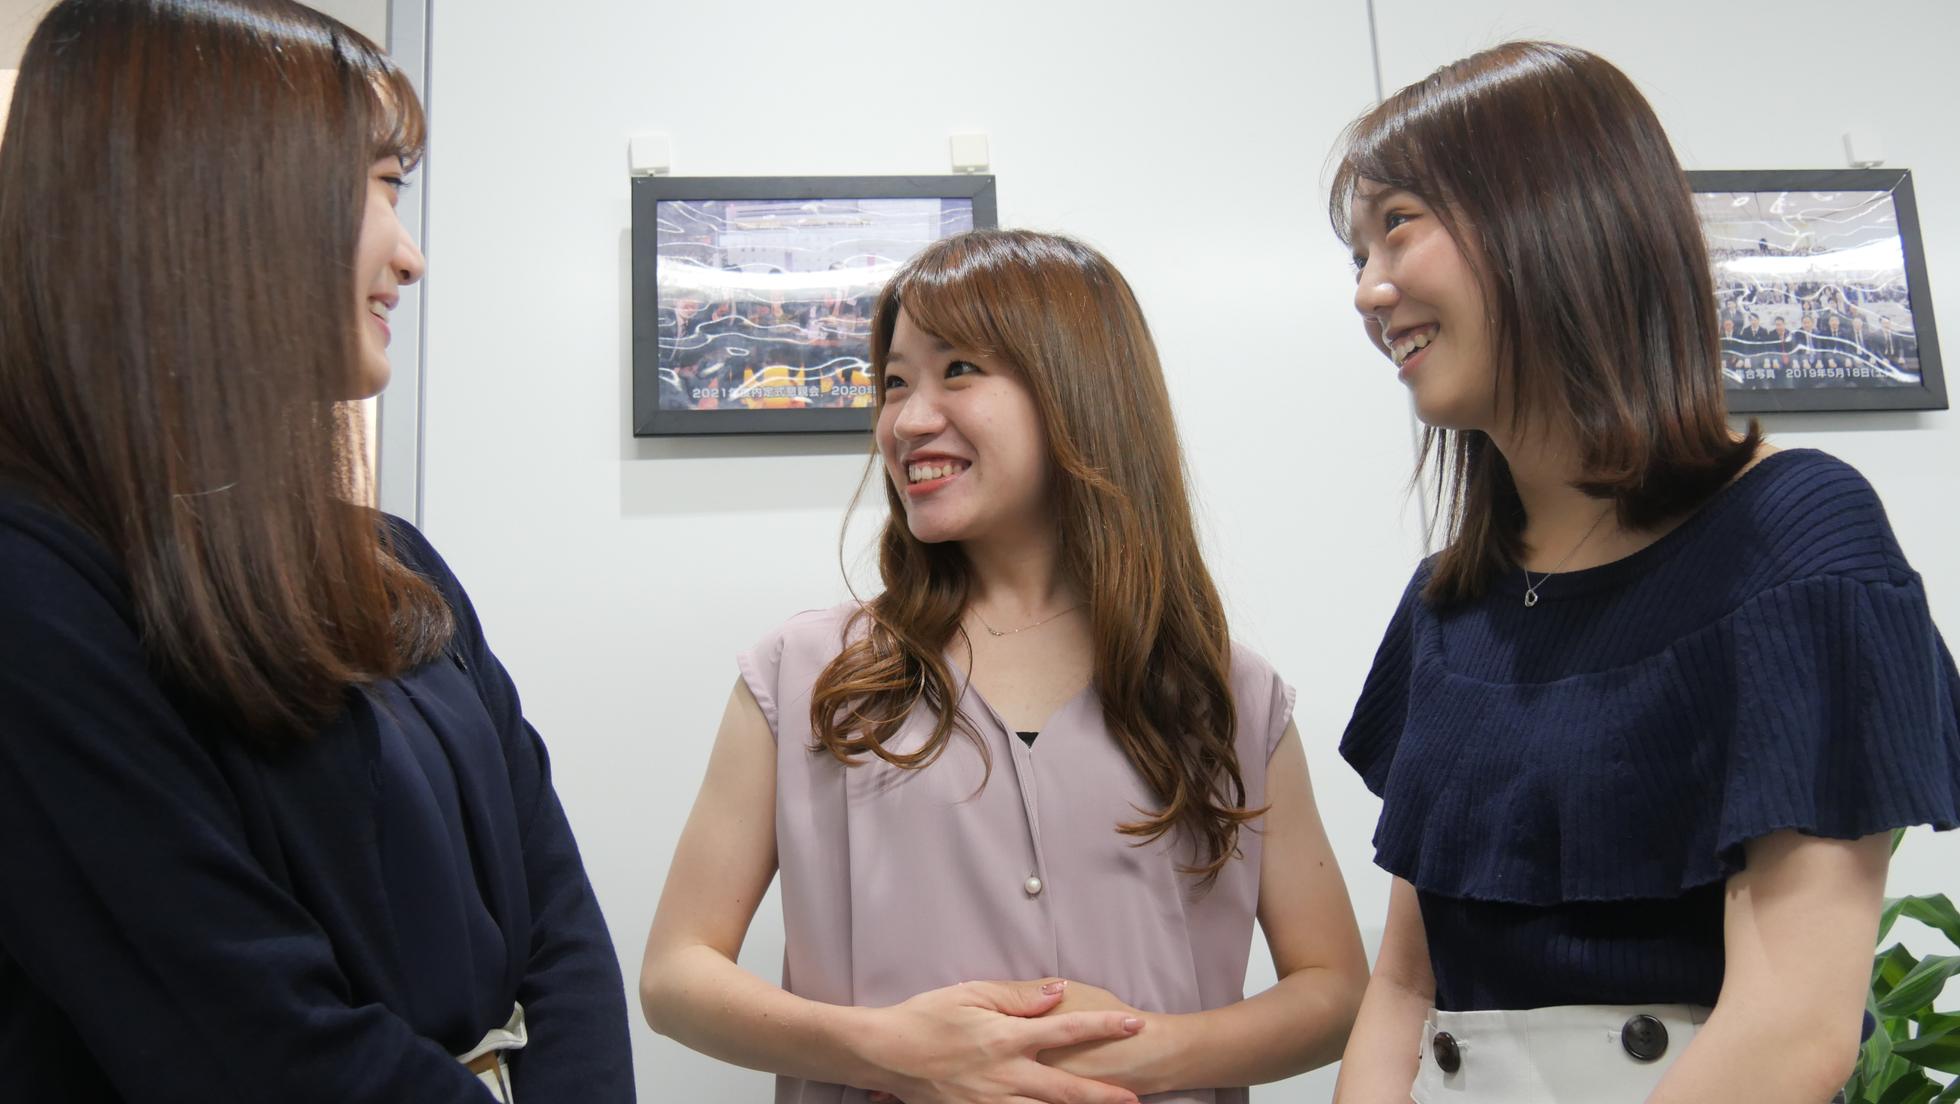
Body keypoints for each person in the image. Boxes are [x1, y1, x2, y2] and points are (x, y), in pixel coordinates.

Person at [0, 2, 634, 1100]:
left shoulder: (391, 561)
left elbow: (558, 918)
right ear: (217, 195)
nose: (411, 256)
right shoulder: (37, 594)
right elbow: (256, 1042)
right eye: (381, 185)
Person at [1329, 41, 1960, 1104]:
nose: (1367, 291)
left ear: (1558, 216)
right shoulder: (1448, 603)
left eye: (1398, 223)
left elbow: (1791, 1030)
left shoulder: (1795, 539)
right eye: (1354, 256)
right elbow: (1401, 989)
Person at [639, 229, 1369, 1104]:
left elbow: (1334, 990)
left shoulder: (1230, 696)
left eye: (958, 371)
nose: (908, 421)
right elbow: (675, 976)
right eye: (894, 382)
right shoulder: (800, 676)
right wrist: (891, 1051)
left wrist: (1145, 1053)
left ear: (1080, 391)